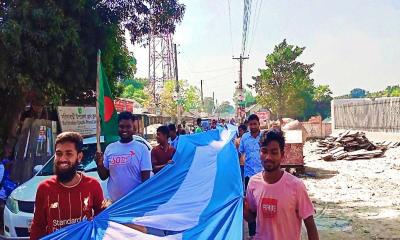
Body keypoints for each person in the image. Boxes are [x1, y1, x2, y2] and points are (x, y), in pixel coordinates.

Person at [244, 129, 319, 240]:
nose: (268, 157)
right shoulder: (253, 182)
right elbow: (251, 218)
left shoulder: (296, 186)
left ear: (282, 154)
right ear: (259, 152)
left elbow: (310, 225)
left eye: (274, 152)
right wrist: (241, 207)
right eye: (264, 151)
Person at [30, 132, 104, 240]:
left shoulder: (93, 185)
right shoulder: (44, 188)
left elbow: (101, 222)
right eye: (59, 154)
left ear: (79, 156)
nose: (62, 159)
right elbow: (38, 227)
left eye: (69, 154)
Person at [95, 111, 152, 202]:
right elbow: (103, 177)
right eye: (121, 126)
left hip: (135, 202)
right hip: (114, 203)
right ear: (117, 128)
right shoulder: (110, 148)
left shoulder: (142, 148)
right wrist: (99, 164)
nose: (124, 129)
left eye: (128, 126)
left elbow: (145, 179)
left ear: (133, 128)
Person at [239, 114, 263, 238]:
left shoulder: (264, 137)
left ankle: (264, 232)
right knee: (250, 206)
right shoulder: (244, 137)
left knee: (263, 204)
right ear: (248, 125)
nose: (253, 126)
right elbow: (240, 153)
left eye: (255, 124)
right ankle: (253, 234)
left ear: (259, 124)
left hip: (264, 177)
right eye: (251, 124)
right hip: (249, 176)